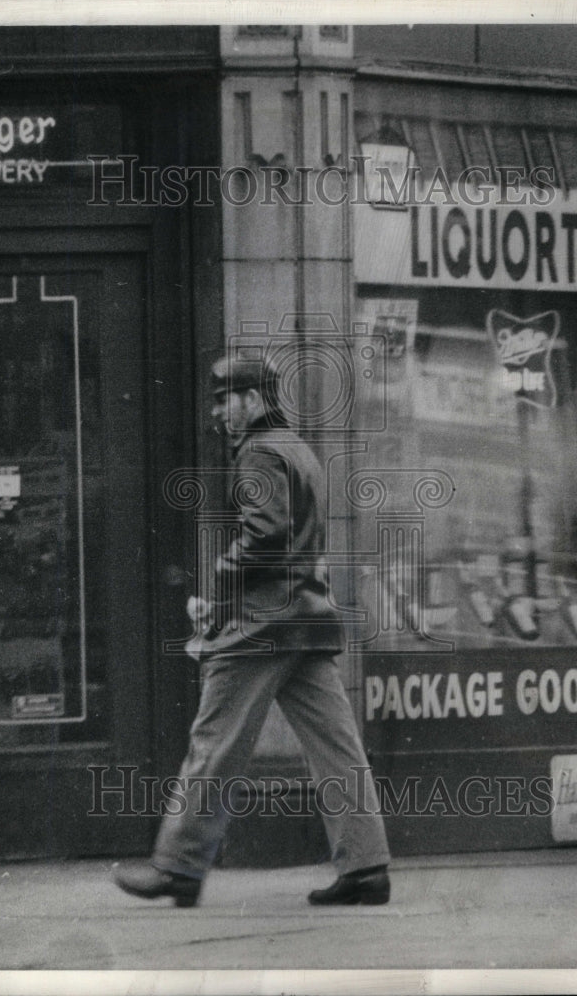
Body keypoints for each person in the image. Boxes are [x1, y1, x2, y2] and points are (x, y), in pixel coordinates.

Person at [114, 351, 390, 907]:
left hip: (259, 627)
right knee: (336, 746)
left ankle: (179, 867)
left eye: (226, 400)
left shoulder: (259, 453)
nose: (219, 413)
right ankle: (366, 868)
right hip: (306, 622)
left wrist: (220, 577)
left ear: (255, 400)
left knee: (214, 743)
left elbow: (266, 534)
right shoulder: (299, 450)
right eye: (217, 401)